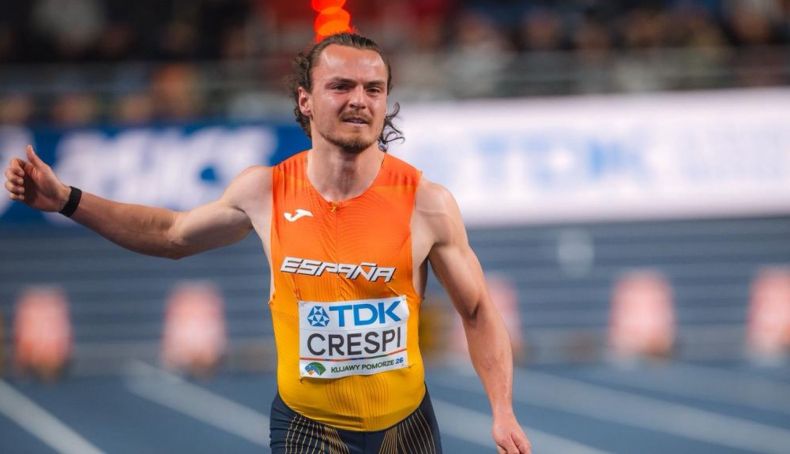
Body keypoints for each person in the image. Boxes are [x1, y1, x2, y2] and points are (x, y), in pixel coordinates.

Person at [4, 33, 532, 454]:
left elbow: (478, 311)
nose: (359, 100)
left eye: (374, 89)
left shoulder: (426, 202)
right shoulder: (266, 191)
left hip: (406, 429)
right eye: (341, 86)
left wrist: (502, 409)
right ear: (305, 100)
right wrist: (68, 200)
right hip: (308, 430)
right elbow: (170, 235)